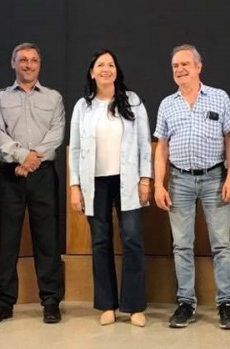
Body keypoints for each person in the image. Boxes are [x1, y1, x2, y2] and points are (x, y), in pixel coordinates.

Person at [153, 44, 230, 329]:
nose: (180, 70)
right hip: (179, 180)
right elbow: (161, 147)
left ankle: (226, 303)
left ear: (199, 67)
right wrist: (158, 184)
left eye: (185, 64)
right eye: (175, 66)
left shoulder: (219, 97)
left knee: (221, 244)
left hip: (215, 177)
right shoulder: (167, 104)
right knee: (181, 245)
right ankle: (186, 304)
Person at [68, 49, 152, 327]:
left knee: (132, 239)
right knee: (100, 241)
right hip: (95, 182)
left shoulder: (132, 101)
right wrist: (75, 186)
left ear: (117, 70)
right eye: (100, 65)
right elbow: (75, 149)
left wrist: (145, 179)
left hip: (127, 180)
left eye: (111, 64)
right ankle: (107, 305)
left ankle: (134, 306)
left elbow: (144, 144)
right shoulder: (83, 107)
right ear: (92, 73)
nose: (106, 69)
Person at [0, 42, 65, 325]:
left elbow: (56, 134)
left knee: (48, 240)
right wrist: (22, 157)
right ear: (13, 63)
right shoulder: (0, 99)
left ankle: (51, 301)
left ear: (39, 65)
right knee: (7, 241)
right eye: (23, 60)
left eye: (33, 60)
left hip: (43, 174)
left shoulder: (54, 98)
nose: (28, 65)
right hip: (10, 175)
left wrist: (32, 160)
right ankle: (3, 304)